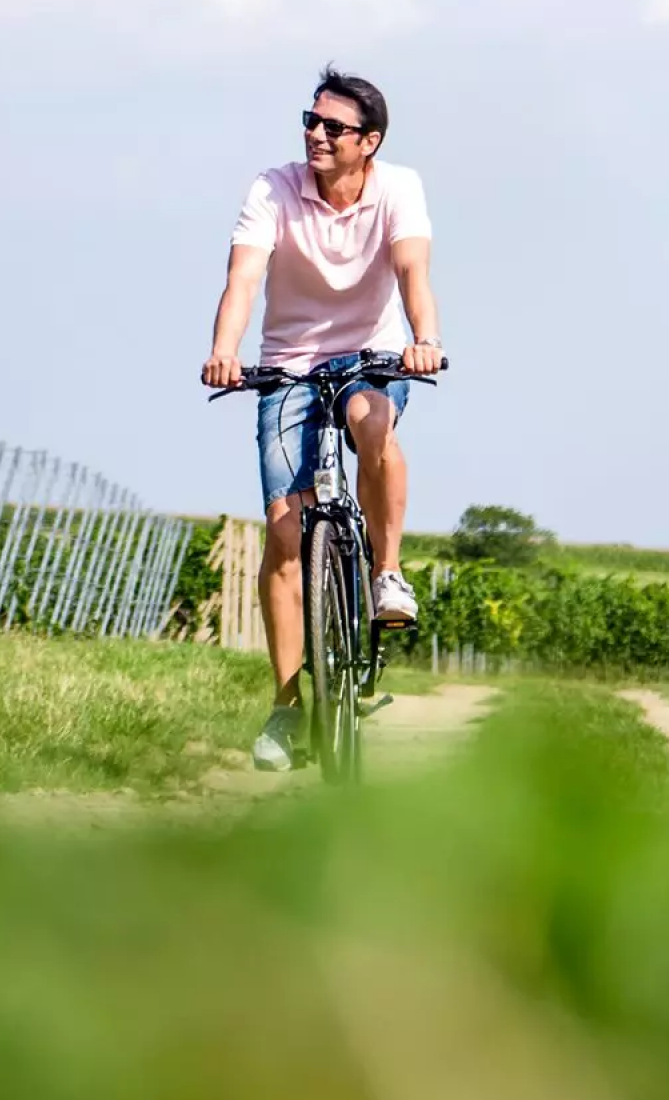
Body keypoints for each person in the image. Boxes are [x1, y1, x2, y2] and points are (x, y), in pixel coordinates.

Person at [203, 64, 445, 772]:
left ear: (369, 141)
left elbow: (412, 273)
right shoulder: (273, 188)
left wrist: (424, 341)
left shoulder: (400, 188)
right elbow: (243, 277)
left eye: (333, 127)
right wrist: (225, 351)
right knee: (283, 532)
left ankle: (387, 575)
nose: (315, 134)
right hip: (288, 362)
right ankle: (286, 710)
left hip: (371, 353)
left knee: (374, 423)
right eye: (309, 121)